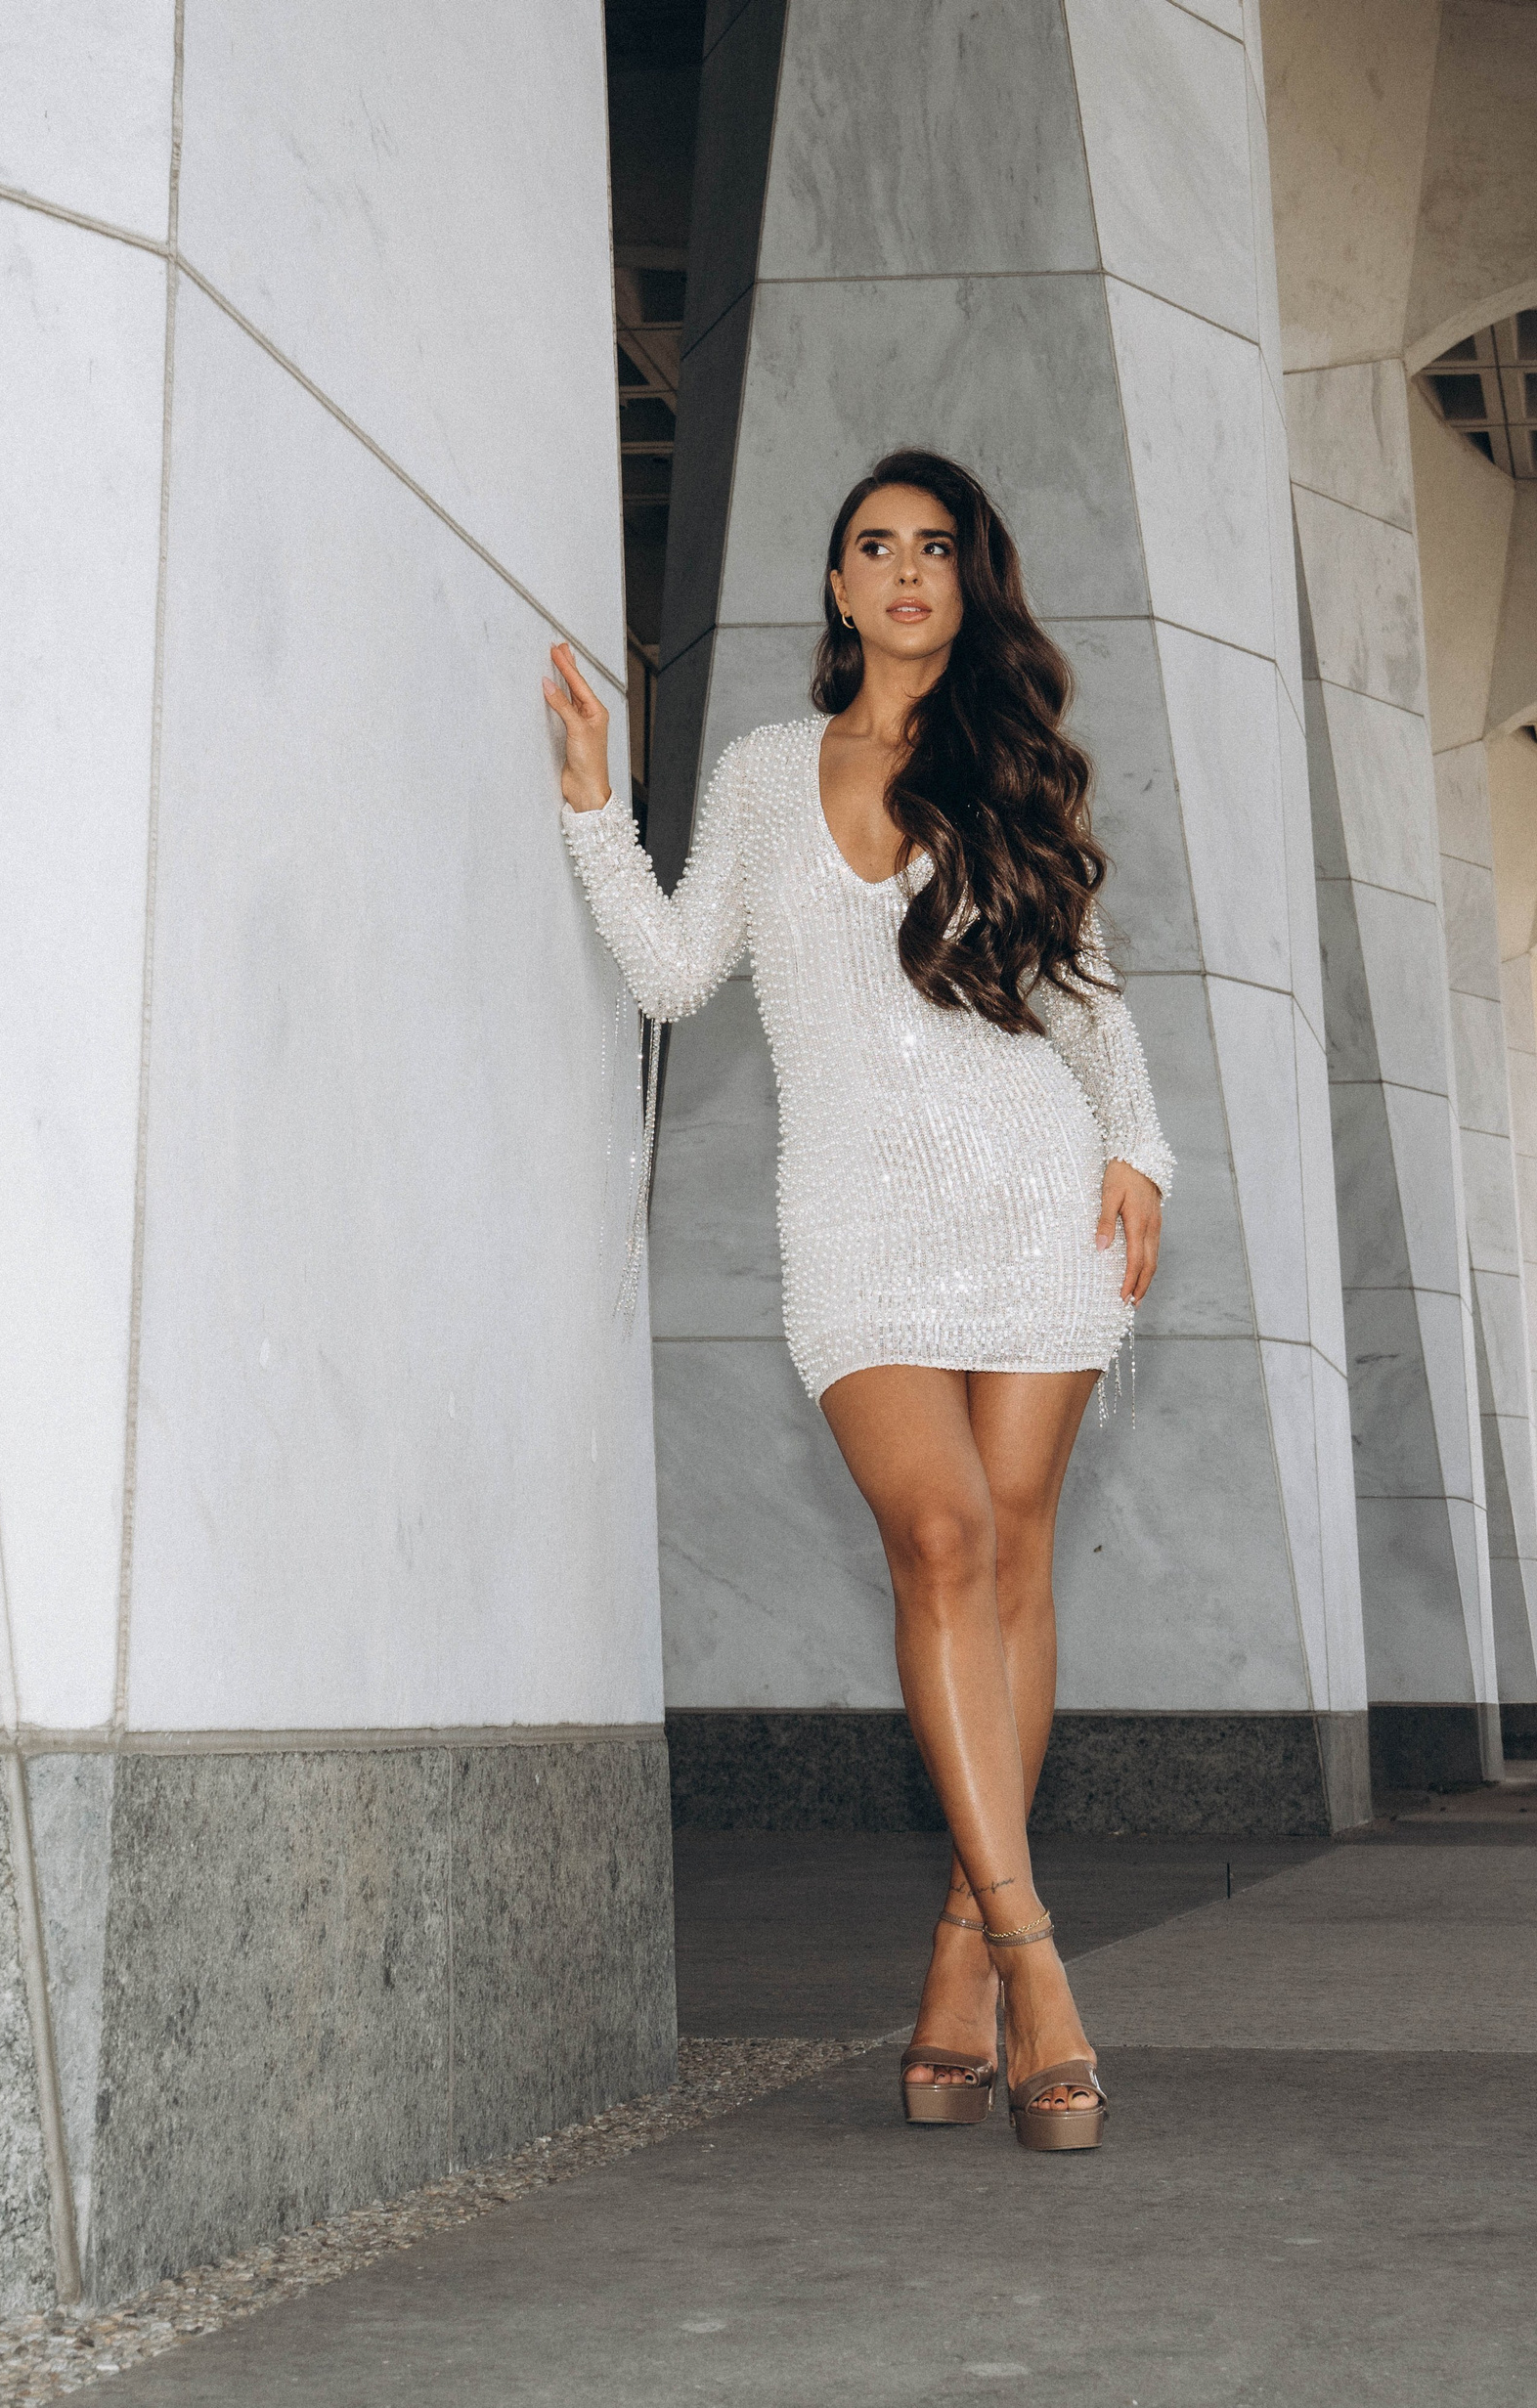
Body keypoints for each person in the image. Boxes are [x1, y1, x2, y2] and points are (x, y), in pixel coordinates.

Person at [543, 450, 1172, 2151]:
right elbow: (676, 971)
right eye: (874, 547)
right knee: (944, 1540)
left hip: (1039, 1199)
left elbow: (1082, 981)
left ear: (969, 583)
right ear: (834, 589)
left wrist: (1141, 1147)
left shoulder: (1010, 771)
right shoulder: (760, 776)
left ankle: (964, 1959)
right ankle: (1037, 1955)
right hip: (857, 1231)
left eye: (935, 547)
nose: (904, 571)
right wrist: (596, 804)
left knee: (1018, 1550)